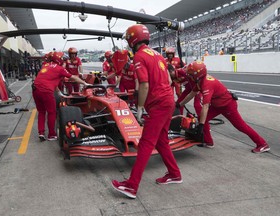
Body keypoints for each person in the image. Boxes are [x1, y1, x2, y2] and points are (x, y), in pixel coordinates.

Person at [111, 24, 182, 199]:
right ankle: (174, 174)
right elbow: (167, 78)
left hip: (158, 104)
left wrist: (140, 107)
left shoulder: (139, 57)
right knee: (161, 141)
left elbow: (144, 84)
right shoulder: (157, 54)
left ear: (133, 39)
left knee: (145, 144)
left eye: (128, 39)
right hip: (167, 101)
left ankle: (132, 185)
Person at [178, 61, 270, 153]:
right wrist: (179, 104)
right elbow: (191, 94)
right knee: (202, 118)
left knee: (241, 126)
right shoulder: (201, 81)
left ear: (197, 74)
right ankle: (208, 142)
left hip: (227, 106)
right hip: (217, 105)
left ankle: (262, 144)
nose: (189, 76)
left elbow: (205, 106)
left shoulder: (206, 84)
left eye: (190, 74)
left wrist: (201, 126)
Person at [32, 52, 90, 142]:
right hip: (46, 91)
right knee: (52, 112)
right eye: (62, 59)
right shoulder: (60, 69)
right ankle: (51, 135)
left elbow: (51, 81)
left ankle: (41, 133)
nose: (64, 60)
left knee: (41, 112)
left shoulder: (46, 66)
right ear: (59, 60)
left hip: (35, 89)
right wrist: (85, 83)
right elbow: (73, 77)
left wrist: (60, 94)